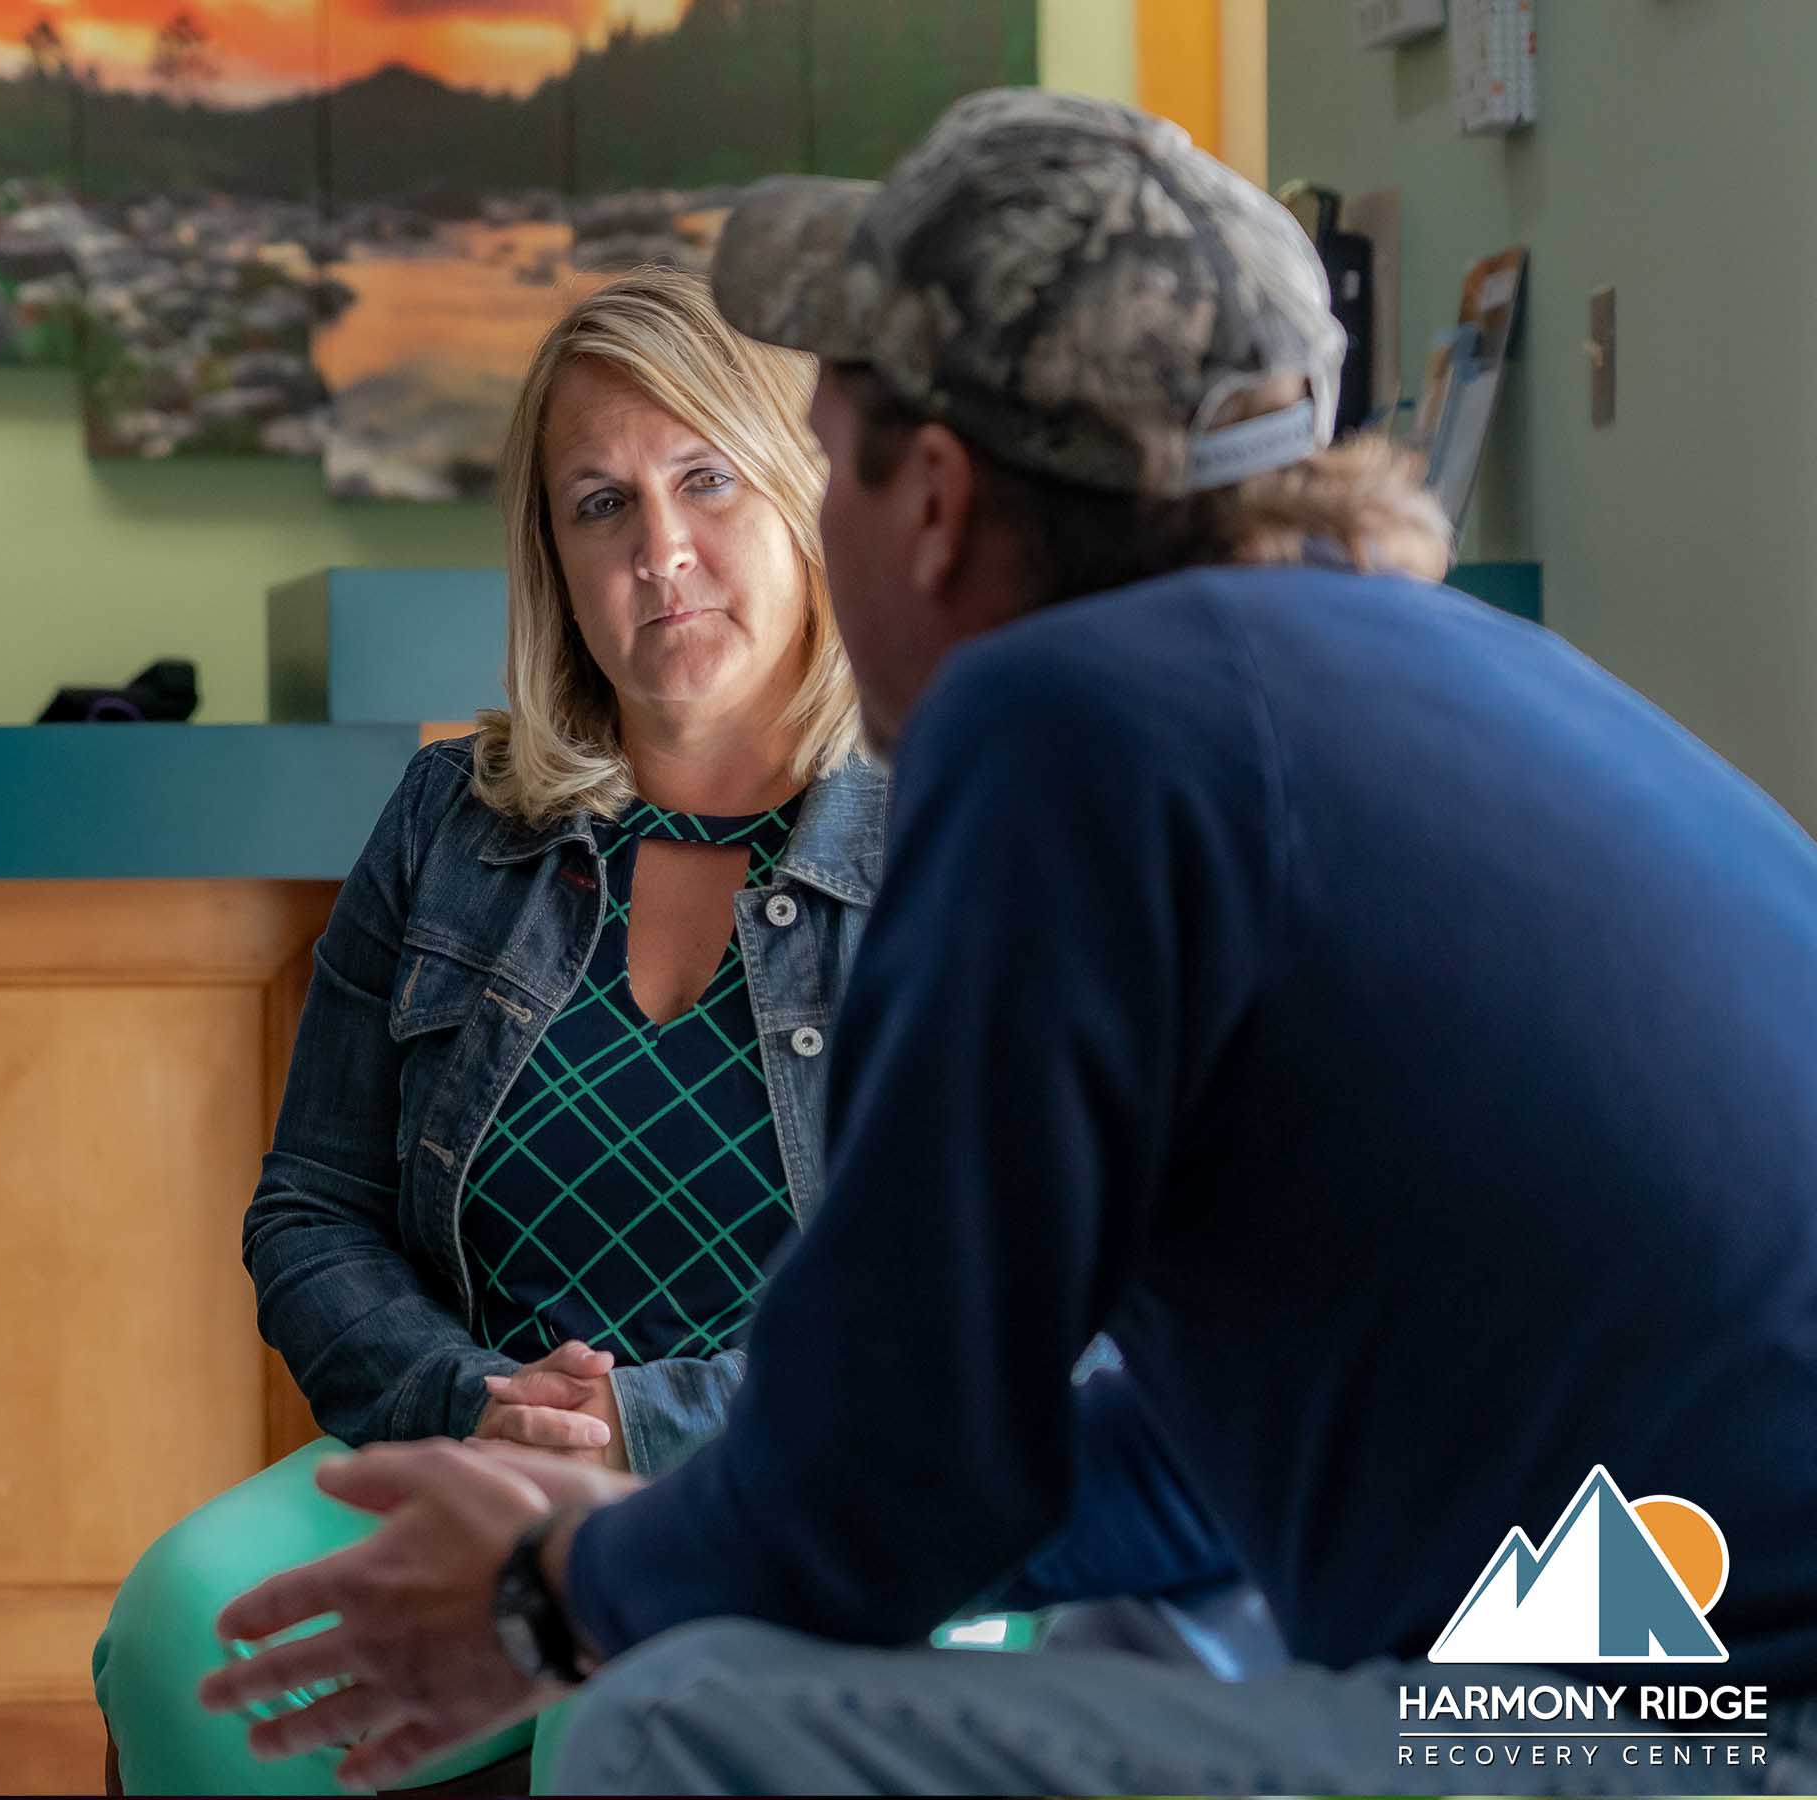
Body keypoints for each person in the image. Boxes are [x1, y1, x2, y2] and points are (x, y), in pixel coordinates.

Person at [194, 90, 1817, 1796]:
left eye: (817, 455)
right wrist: (643, 1528)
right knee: (1146, 1623)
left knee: (658, 1722)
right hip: (1650, 1672)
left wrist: (546, 1599)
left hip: (1692, 1720)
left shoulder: (1073, 718)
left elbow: (903, 1468)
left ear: (939, 504)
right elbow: (1178, 1465)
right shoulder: (1474, 676)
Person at [92, 265, 887, 1794]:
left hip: (808, 1486)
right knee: (187, 1634)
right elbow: (313, 1210)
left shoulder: (970, 833)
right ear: (554, 561)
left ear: (801, 494)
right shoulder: (456, 822)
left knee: (632, 1710)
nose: (660, 553)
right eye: (601, 506)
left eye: (705, 479)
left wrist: (646, 1430)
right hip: (476, 1463)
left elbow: (1031, 1307)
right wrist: (473, 1403)